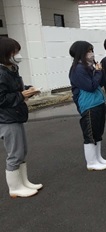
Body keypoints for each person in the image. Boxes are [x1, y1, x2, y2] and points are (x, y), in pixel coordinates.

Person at [0, 37, 43, 198]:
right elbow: (2, 99)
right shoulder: (1, 73)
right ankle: (15, 187)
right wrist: (21, 95)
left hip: (16, 116)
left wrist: (28, 89)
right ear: (6, 53)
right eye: (14, 52)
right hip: (7, 119)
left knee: (22, 151)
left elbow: (14, 89)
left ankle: (24, 182)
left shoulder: (11, 68)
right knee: (15, 153)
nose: (17, 55)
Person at [69, 41, 106, 171]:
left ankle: (98, 157)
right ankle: (91, 162)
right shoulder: (78, 69)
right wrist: (97, 73)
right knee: (90, 134)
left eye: (92, 50)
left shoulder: (89, 66)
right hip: (88, 105)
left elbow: (100, 83)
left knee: (98, 132)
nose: (91, 54)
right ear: (81, 53)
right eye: (88, 51)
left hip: (98, 102)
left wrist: (100, 71)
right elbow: (90, 86)